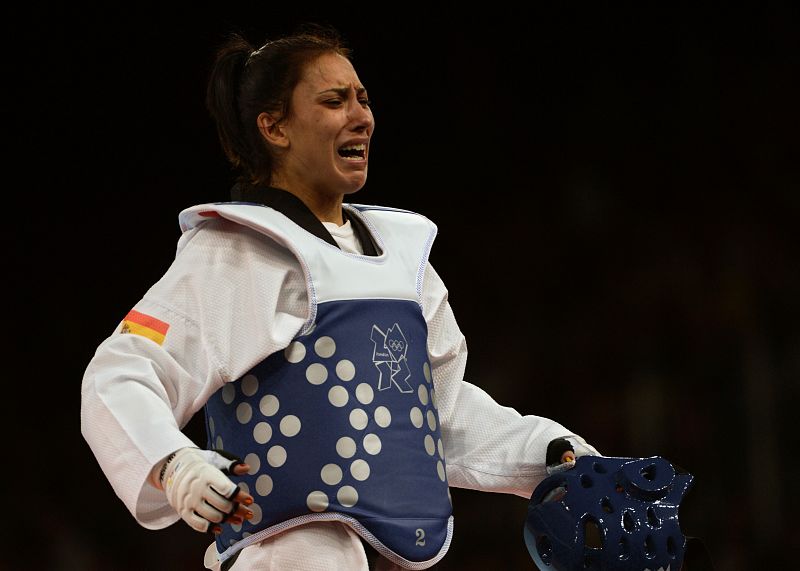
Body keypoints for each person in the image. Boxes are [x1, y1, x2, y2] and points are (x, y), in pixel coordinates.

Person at [80, 23, 599, 571]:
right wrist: (173, 461)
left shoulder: (405, 259)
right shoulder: (241, 251)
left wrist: (550, 455)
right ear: (274, 127)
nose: (362, 116)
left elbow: (435, 415)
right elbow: (121, 370)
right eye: (333, 101)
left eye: (363, 98)